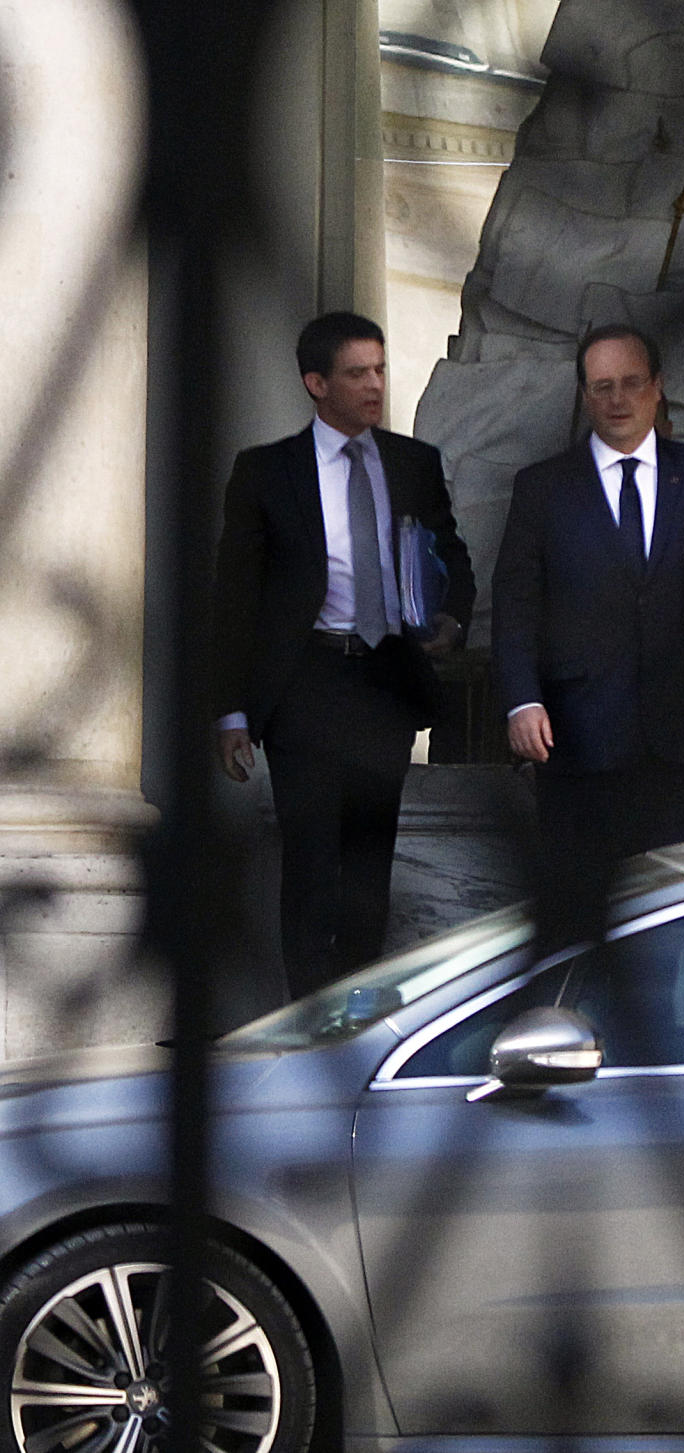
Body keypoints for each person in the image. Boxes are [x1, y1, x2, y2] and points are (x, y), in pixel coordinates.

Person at [212, 312, 475, 997]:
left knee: (368, 867)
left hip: (385, 680)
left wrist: (450, 620)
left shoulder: (413, 463)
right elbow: (235, 597)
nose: (374, 385)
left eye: (380, 369)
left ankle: (356, 1014)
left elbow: (452, 556)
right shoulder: (267, 473)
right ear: (315, 383)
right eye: (356, 373)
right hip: (305, 683)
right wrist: (231, 711)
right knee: (309, 865)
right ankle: (308, 1020)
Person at [491, 323, 684, 943]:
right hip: (576, 738)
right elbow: (515, 602)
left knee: (672, 916)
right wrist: (521, 699)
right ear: (586, 396)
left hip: (681, 738)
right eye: (602, 386)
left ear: (658, 388)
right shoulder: (542, 487)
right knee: (578, 916)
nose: (618, 399)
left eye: (632, 383)